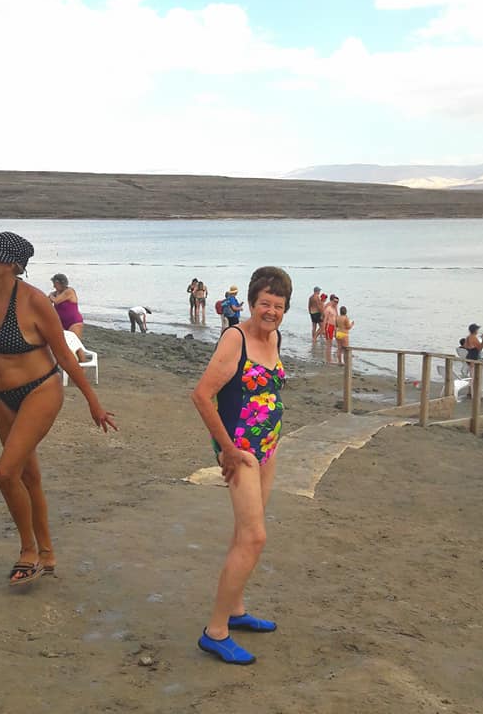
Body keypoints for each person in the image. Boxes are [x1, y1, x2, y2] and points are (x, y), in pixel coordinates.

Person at [0, 232, 116, 586]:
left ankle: (28, 551)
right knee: (27, 476)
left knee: (5, 473)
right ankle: (47, 553)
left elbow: (65, 355)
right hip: (0, 395)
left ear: (10, 265)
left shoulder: (35, 302)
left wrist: (94, 403)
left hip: (40, 390)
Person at [191, 266, 292, 665]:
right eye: (265, 303)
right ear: (251, 303)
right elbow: (202, 396)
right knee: (254, 538)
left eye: (279, 306)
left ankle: (235, 610)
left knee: (244, 533)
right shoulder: (236, 338)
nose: (271, 312)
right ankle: (215, 632)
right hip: (241, 452)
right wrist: (228, 450)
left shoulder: (275, 337)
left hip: (268, 447)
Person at [48, 274, 84, 339]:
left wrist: (51, 295)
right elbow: (47, 302)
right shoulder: (56, 293)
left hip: (73, 322)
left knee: (73, 342)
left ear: (59, 283)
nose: (54, 286)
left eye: (55, 284)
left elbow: (56, 301)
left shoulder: (69, 291)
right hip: (61, 322)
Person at [322, 295, 339, 362]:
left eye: (337, 302)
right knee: (329, 343)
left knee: (330, 343)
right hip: (328, 326)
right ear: (332, 301)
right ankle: (328, 359)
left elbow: (336, 318)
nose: (335, 303)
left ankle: (328, 358)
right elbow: (325, 319)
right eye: (335, 301)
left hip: (333, 326)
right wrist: (323, 329)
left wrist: (336, 328)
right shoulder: (328, 309)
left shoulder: (335, 309)